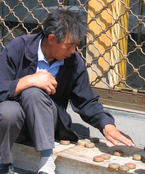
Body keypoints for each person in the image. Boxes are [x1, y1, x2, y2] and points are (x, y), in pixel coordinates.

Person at [0, 9, 134, 174]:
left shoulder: (73, 62)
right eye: (70, 45)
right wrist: (26, 81)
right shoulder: (18, 48)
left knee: (33, 93)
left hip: (49, 124)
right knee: (8, 110)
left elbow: (86, 101)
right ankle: (3, 164)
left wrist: (106, 125)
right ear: (52, 39)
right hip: (17, 125)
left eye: (76, 45)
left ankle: (46, 162)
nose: (73, 51)